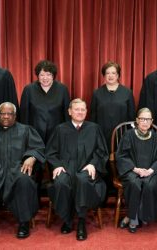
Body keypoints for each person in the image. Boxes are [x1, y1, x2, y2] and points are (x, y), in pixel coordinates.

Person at [0, 102, 45, 240]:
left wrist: (32, 157)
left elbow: (38, 148)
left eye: (9, 113)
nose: (5, 116)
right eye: (2, 113)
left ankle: (24, 222)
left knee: (24, 180)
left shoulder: (26, 130)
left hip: (17, 168)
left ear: (15, 115)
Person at [46, 98, 109, 241]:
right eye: (76, 109)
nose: (80, 112)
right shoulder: (60, 129)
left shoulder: (94, 128)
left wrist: (93, 164)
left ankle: (81, 220)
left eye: (82, 109)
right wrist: (57, 165)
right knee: (61, 182)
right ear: (69, 111)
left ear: (86, 112)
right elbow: (51, 152)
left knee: (82, 179)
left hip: (87, 169)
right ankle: (67, 220)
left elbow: (102, 152)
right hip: (66, 169)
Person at [116, 108, 157, 233]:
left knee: (149, 184)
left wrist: (150, 170)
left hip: (150, 172)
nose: (145, 122)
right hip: (132, 171)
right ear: (137, 120)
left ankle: (134, 216)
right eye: (142, 119)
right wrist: (135, 169)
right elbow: (121, 156)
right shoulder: (128, 135)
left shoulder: (156, 138)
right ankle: (134, 219)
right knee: (134, 183)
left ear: (151, 121)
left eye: (148, 119)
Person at [90, 61, 135, 200]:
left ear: (118, 75)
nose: (110, 76)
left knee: (119, 162)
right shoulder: (97, 93)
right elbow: (93, 117)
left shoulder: (127, 92)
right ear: (103, 75)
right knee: (103, 162)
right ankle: (102, 195)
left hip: (122, 137)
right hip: (102, 135)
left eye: (113, 73)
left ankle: (120, 194)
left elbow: (131, 117)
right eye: (107, 73)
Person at [20, 60, 70, 143]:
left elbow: (67, 114)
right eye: (42, 75)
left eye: (48, 74)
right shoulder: (28, 90)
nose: (45, 78)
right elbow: (24, 115)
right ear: (38, 76)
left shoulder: (62, 89)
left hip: (57, 135)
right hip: (34, 135)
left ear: (53, 76)